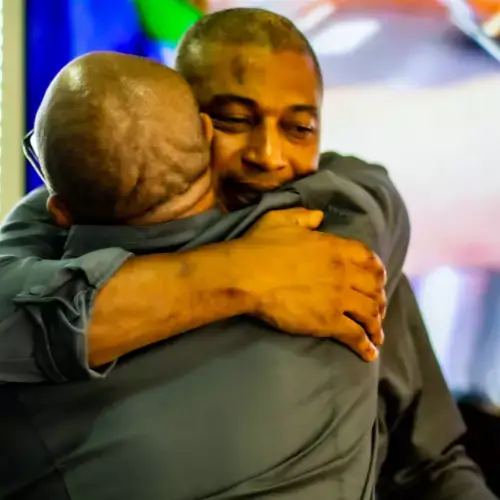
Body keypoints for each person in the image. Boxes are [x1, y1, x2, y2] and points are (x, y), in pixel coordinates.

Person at [0, 7, 496, 500]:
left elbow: (429, 464)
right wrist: (244, 275)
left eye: (299, 128)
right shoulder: (74, 217)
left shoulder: (337, 244)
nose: (269, 156)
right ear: (183, 119)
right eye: (235, 120)